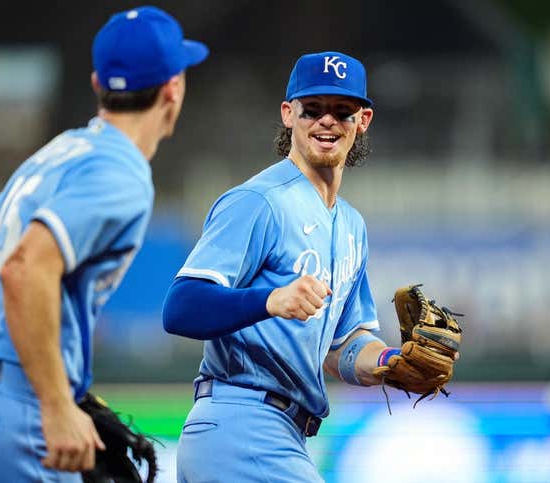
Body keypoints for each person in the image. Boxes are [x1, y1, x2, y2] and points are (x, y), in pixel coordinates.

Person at [0, 6, 208, 481]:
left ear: (97, 83)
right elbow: (24, 269)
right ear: (174, 87)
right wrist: (52, 399)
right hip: (6, 416)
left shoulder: (57, 152)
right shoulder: (121, 172)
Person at [163, 51, 396, 482]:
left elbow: (341, 348)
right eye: (313, 109)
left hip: (285, 434)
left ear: (363, 120)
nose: (327, 121)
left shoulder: (351, 226)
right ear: (289, 114)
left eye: (342, 111)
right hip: (242, 423)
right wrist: (270, 299)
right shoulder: (259, 202)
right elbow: (181, 307)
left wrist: (391, 361)